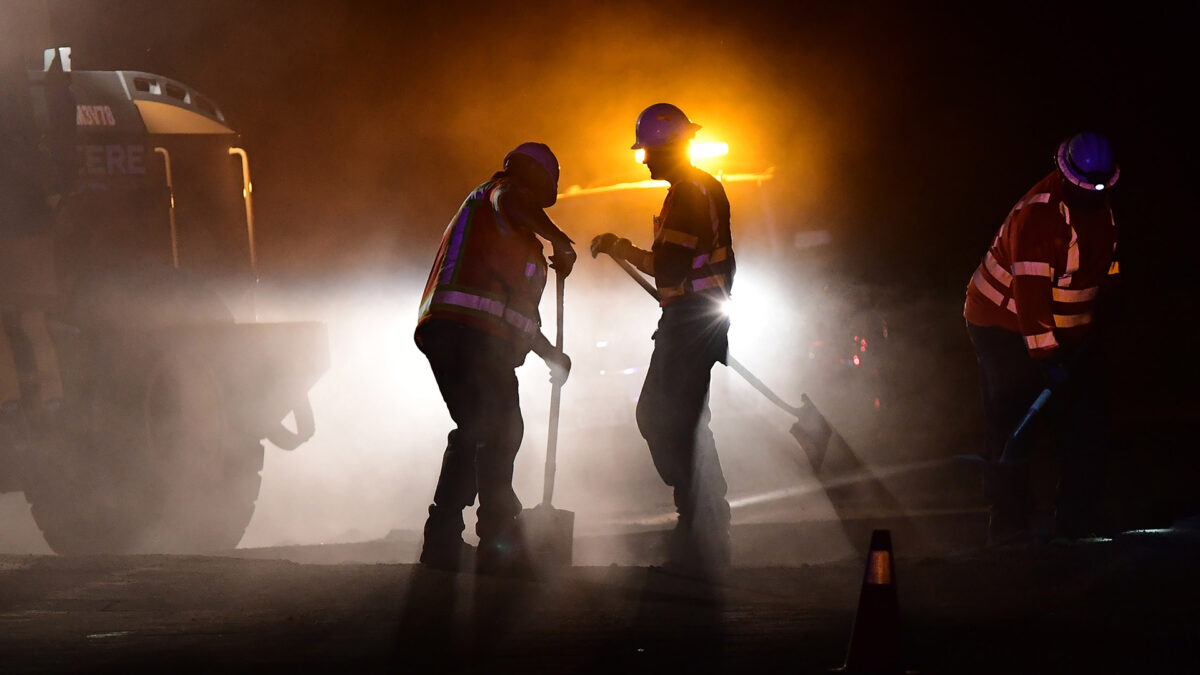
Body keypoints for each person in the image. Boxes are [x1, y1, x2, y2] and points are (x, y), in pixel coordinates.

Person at [415, 142, 576, 574]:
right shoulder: (499, 194)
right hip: (463, 332)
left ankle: (448, 539)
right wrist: (558, 238)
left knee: (480, 428)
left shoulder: (520, 244)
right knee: (497, 428)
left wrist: (549, 356)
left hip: (468, 335)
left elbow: (516, 318)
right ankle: (497, 535)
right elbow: (514, 199)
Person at [591, 103, 736, 574]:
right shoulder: (695, 189)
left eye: (647, 151)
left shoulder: (691, 192)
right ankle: (704, 524)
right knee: (685, 422)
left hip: (691, 323)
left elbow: (670, 264)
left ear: (669, 148)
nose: (644, 159)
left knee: (658, 416)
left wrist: (621, 247)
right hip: (695, 320)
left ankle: (701, 523)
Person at [964, 131, 1120, 544]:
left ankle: (1076, 519)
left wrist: (1105, 313)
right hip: (1002, 324)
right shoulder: (1040, 219)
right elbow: (1031, 302)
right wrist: (1048, 361)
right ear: (1066, 175)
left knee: (1087, 421)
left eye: (1100, 188)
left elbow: (1106, 262)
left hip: (1066, 332)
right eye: (1086, 188)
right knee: (1014, 417)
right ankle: (1008, 520)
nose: (1094, 195)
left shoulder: (1100, 208)